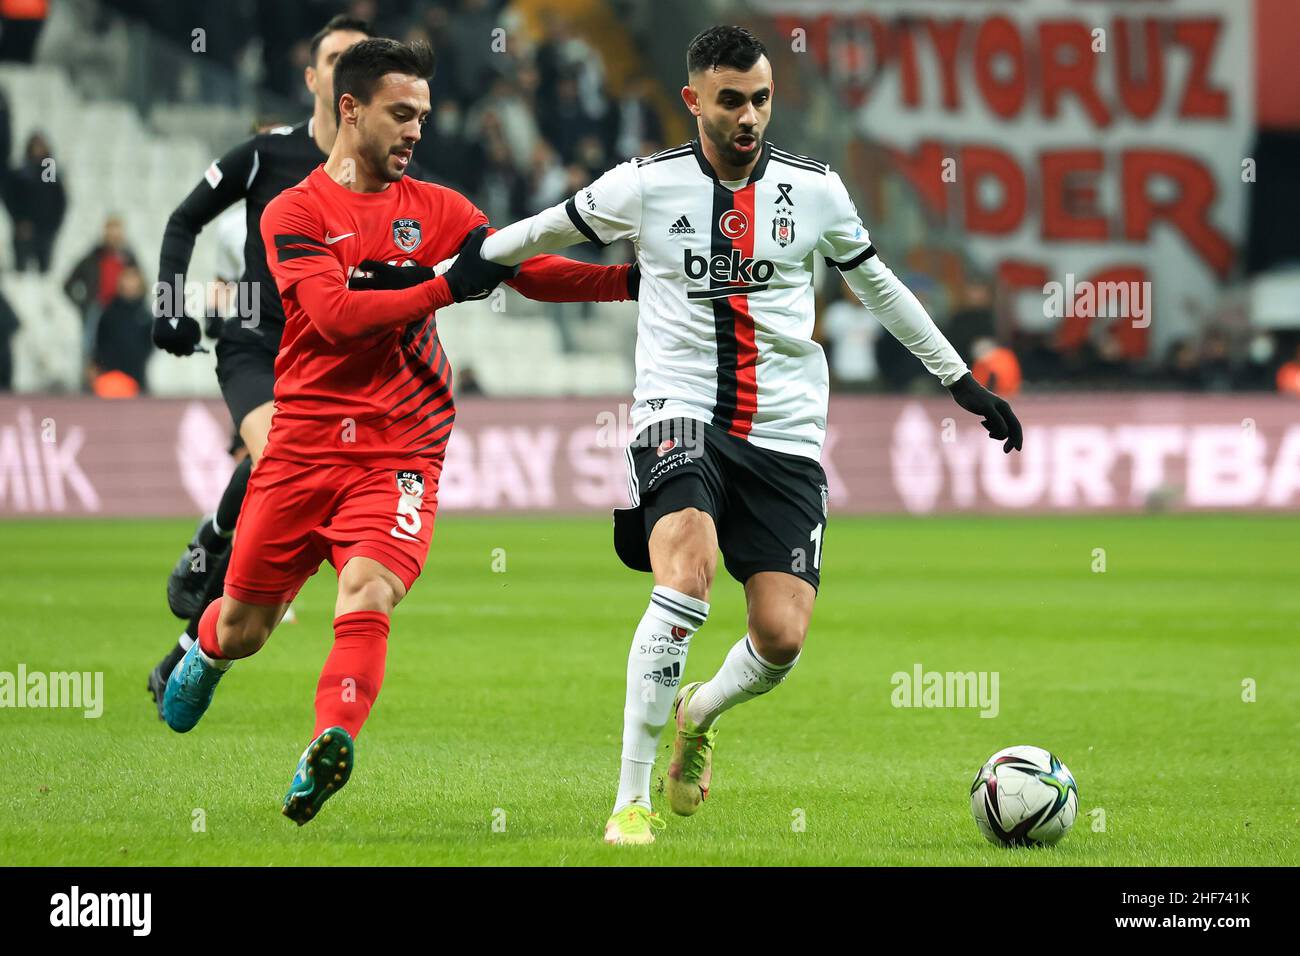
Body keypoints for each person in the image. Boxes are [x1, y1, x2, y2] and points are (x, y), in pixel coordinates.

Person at [476, 25, 1022, 845]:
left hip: (786, 428)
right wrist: (465, 265)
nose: (749, 117)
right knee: (686, 582)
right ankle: (630, 799)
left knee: (781, 636)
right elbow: (543, 232)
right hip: (679, 410)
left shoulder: (818, 192)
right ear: (694, 100)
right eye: (731, 100)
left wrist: (961, 381)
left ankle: (700, 713)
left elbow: (881, 289)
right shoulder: (645, 186)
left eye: (761, 99)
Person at [159, 37, 637, 826]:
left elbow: (517, 266)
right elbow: (333, 317)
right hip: (301, 447)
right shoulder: (296, 212)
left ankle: (330, 740)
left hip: (400, 450)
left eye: (423, 114)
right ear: (351, 109)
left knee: (368, 589)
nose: (417, 130)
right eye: (401, 114)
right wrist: (446, 284)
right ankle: (204, 651)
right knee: (247, 625)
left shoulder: (440, 208)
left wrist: (626, 281)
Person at [145, 15, 377, 716]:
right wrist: (167, 306)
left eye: (357, 60)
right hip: (255, 345)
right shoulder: (265, 155)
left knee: (289, 527)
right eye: (333, 58)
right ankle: (210, 539)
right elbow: (184, 219)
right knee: (280, 453)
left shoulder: (384, 172)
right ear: (313, 79)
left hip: (330, 366)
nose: (344, 69)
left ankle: (190, 650)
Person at [5, 131, 64, 273]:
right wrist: (19, 221)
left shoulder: (50, 172)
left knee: (44, 270)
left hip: (45, 228)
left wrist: (52, 225)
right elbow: (11, 199)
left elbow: (57, 200)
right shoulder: (21, 172)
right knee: (20, 270)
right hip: (24, 227)